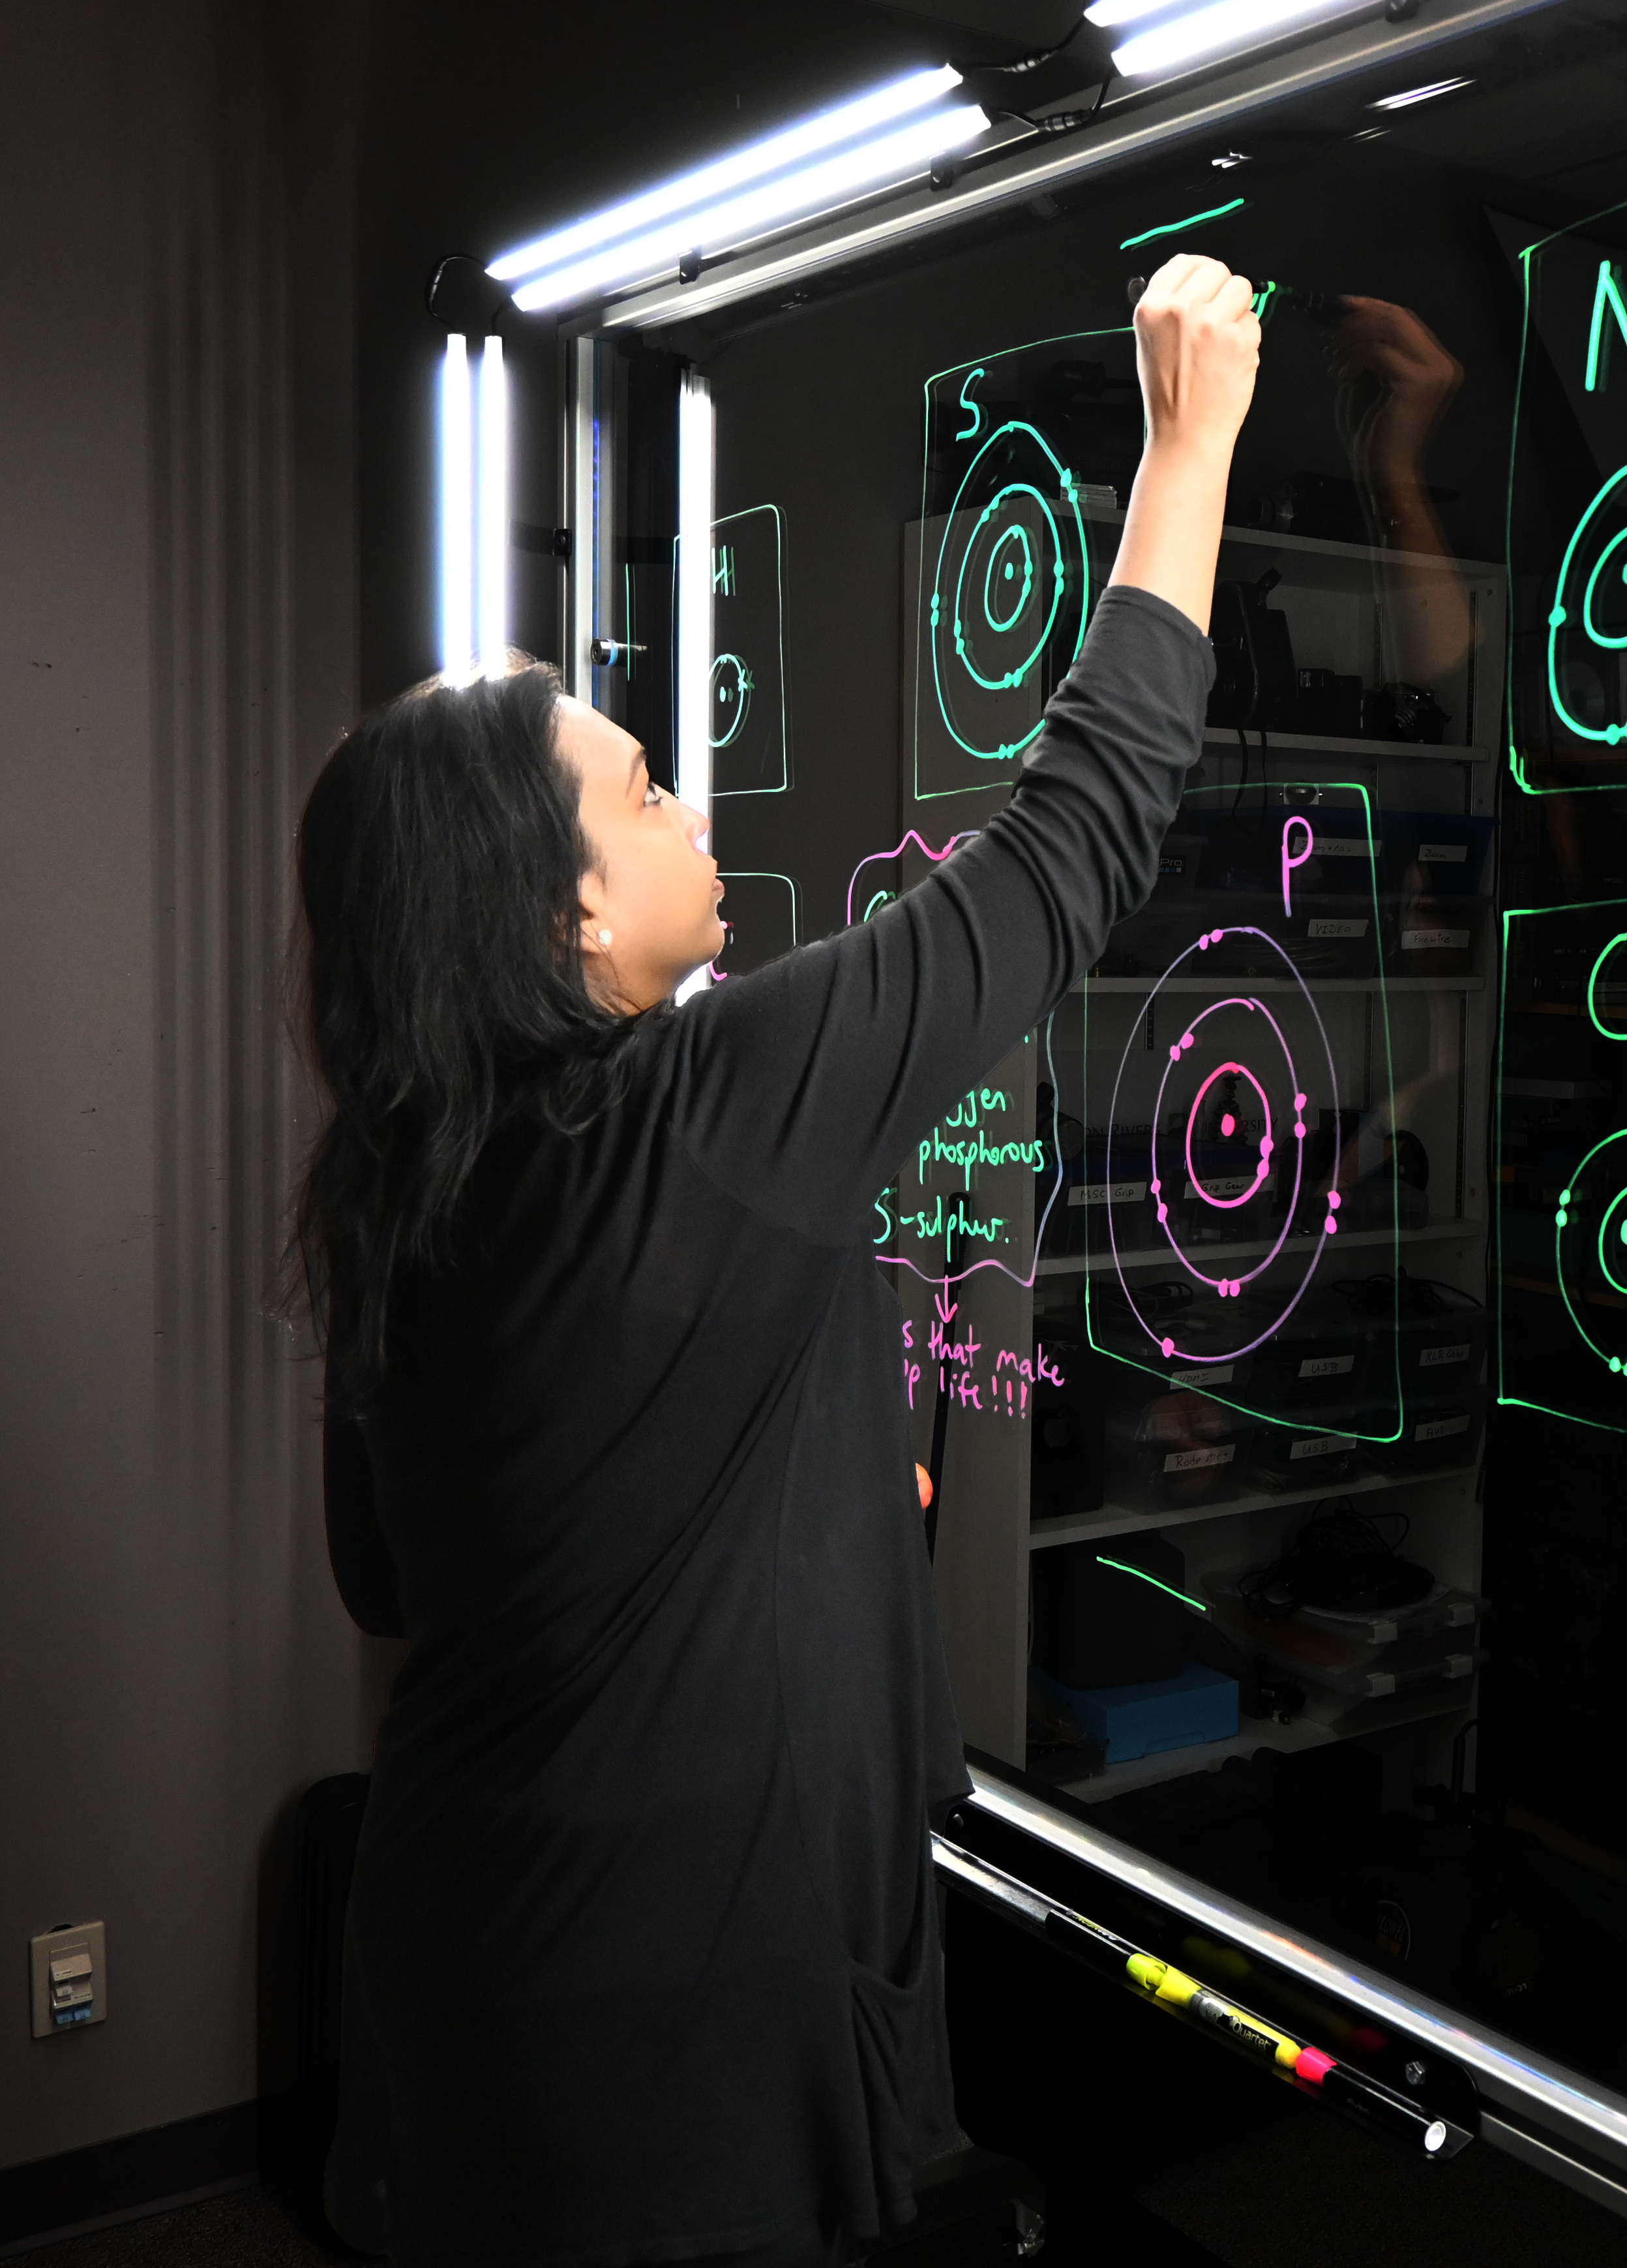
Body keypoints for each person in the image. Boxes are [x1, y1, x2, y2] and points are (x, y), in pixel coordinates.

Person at [290, 253, 1261, 2267]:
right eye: (637, 790)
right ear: (554, 920)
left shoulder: (414, 1183)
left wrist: (787, 1478)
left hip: (464, 1983)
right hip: (679, 2043)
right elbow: (1072, 843)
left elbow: (400, 1569)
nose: (678, 792)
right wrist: (1186, 444)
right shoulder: (699, 1111)